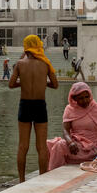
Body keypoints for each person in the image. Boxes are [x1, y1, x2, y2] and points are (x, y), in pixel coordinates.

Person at [9, 34, 58, 183]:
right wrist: (43, 84)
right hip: (39, 105)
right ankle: (42, 179)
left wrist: (22, 83)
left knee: (23, 145)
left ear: (26, 47)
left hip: (25, 104)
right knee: (41, 146)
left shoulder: (19, 64)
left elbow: (11, 84)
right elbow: (55, 85)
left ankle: (21, 181)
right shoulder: (45, 63)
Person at [47, 82, 97, 170]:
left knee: (58, 146)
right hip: (76, 145)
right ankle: (53, 172)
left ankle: (56, 169)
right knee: (52, 144)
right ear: (74, 98)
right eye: (81, 98)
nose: (85, 101)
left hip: (93, 147)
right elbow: (65, 130)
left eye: (87, 97)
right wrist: (70, 142)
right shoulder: (69, 109)